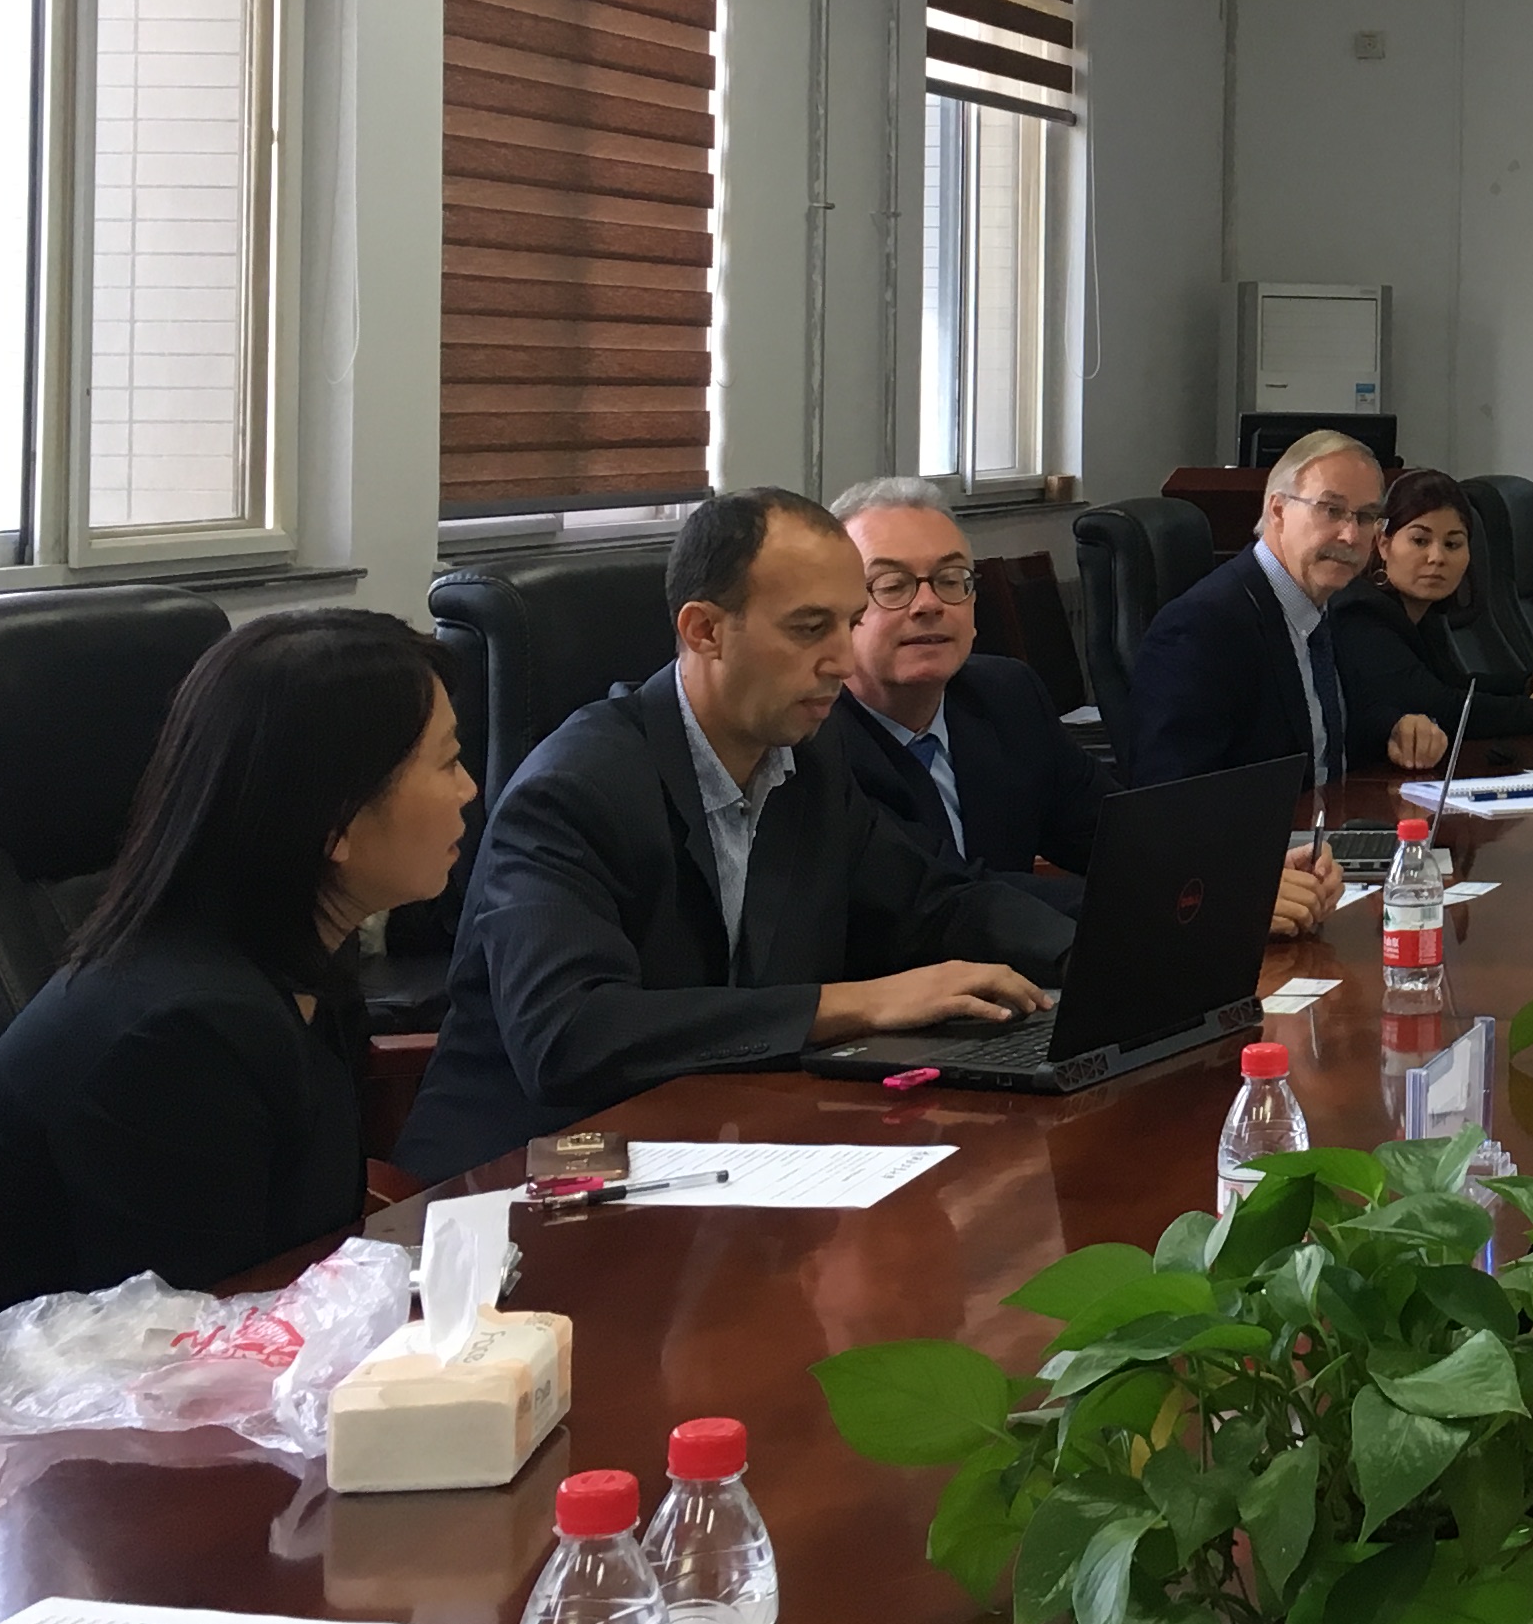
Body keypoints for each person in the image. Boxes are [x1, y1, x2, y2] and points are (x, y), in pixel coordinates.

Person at [398, 488, 1074, 1180]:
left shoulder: (806, 762)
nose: (843, 661)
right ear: (705, 631)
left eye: (850, 623)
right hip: (519, 1182)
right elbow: (568, 1037)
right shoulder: (575, 789)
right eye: (810, 629)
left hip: (714, 1150)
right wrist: (858, 1004)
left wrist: (1096, 954)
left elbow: (936, 900)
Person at [0, 611, 471, 1357]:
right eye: (447, 763)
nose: (469, 789)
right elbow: (182, 1356)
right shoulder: (180, 1039)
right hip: (12, 1418)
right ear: (337, 822)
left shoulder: (292, 964)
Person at [826, 477, 1336, 938]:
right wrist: (1190, 899)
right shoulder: (815, 742)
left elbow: (1117, 836)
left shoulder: (1005, 695)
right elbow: (952, 891)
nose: (928, 604)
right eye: (891, 585)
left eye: (951, 578)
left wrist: (1240, 873)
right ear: (839, 610)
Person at [1127, 430, 1445, 788]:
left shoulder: (1331, 605)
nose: (1351, 536)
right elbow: (1171, 795)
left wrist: (1396, 729)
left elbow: (1330, 721)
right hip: (1262, 825)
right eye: (1332, 510)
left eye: (1366, 516)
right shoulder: (1201, 628)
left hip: (1335, 816)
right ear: (1277, 510)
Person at [1328, 467, 1533, 771]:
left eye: (1452, 544)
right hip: (1354, 783)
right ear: (1383, 544)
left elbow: (1451, 683)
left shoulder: (1420, 610)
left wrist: (1531, 682)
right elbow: (1440, 707)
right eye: (1420, 540)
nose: (1437, 557)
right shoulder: (1360, 613)